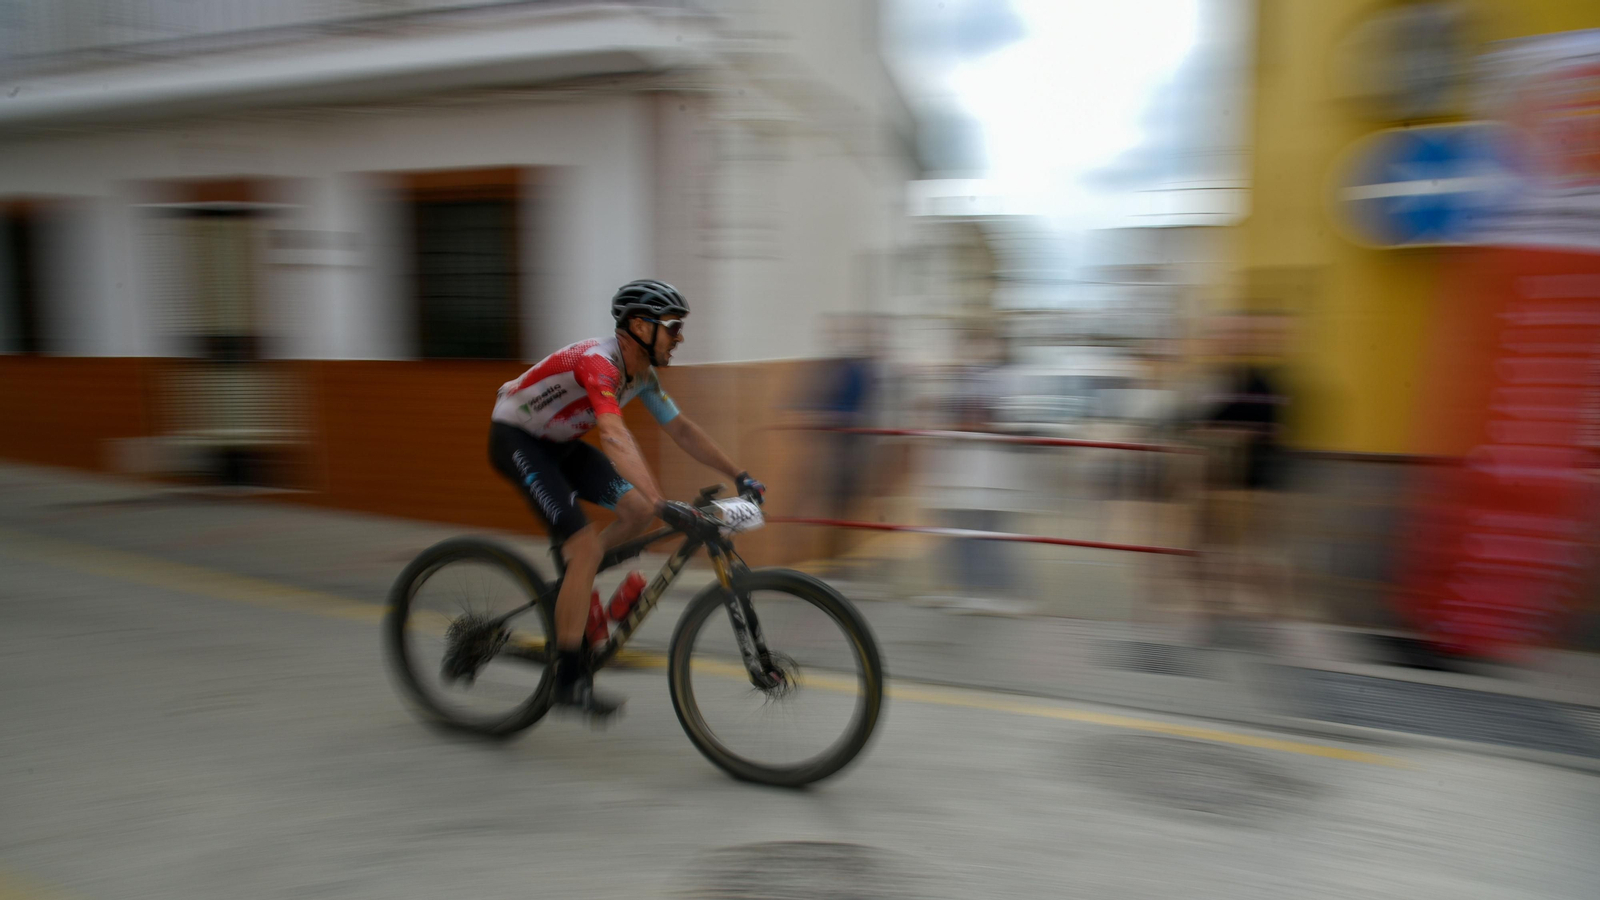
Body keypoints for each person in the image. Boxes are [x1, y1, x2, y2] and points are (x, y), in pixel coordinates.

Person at [488, 279, 764, 718]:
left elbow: (683, 430)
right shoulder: (599, 364)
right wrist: (660, 499)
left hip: (559, 443)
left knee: (635, 513)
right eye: (673, 327)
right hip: (519, 440)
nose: (680, 338)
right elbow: (614, 434)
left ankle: (574, 584)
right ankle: (568, 679)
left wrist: (740, 474)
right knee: (588, 545)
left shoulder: (643, 377)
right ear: (639, 325)